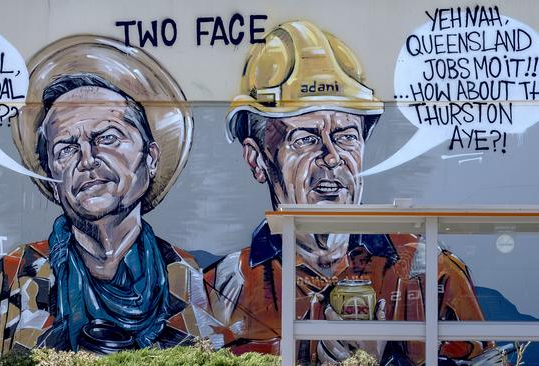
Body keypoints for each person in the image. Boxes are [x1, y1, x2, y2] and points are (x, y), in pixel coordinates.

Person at [203, 20, 490, 365]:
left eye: (346, 136)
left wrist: (381, 360)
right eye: (306, 138)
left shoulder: (427, 271)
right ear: (257, 158)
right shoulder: (222, 289)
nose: (332, 157)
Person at [0, 36, 216, 356]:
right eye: (67, 148)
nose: (87, 160)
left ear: (151, 158)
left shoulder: (187, 277)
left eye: (108, 137)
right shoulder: (16, 275)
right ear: (53, 180)